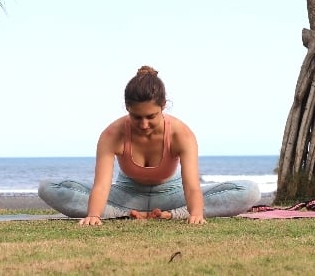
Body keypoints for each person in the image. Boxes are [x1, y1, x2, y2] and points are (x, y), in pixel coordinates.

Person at [38, 65, 261, 226]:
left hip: (173, 195)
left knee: (249, 192)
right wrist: (94, 216)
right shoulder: (112, 134)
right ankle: (123, 212)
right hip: (126, 195)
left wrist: (194, 214)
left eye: (151, 116)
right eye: (136, 117)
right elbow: (101, 186)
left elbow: (192, 186)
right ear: (127, 107)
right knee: (48, 188)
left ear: (163, 106)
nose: (144, 124)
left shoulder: (181, 134)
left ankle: (170, 214)